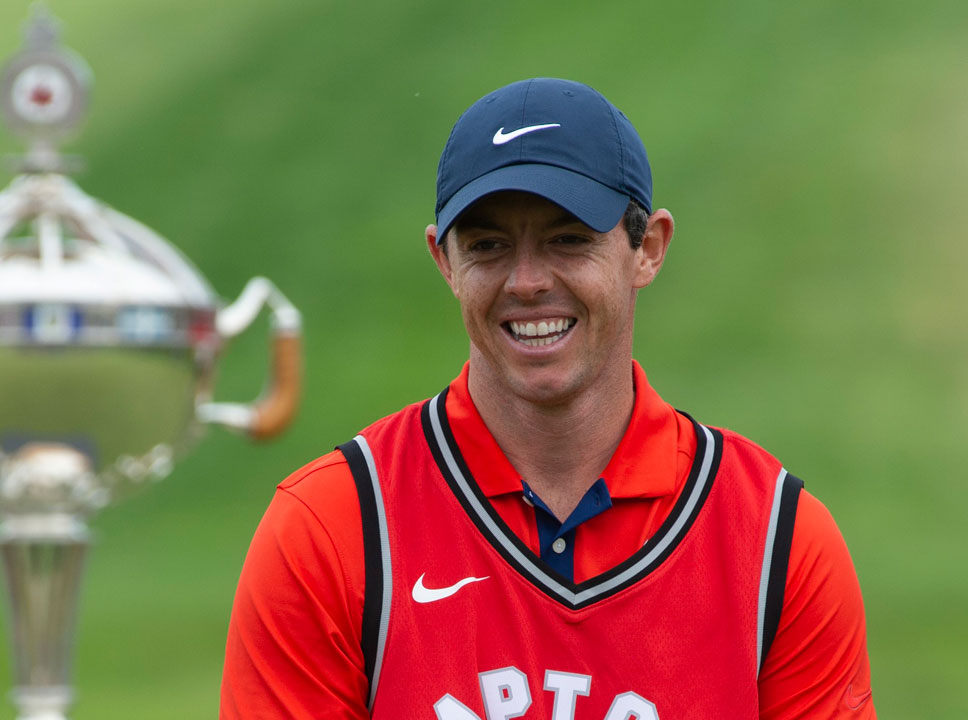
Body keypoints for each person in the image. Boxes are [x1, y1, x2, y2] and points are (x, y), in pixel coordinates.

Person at [219, 78, 874, 719]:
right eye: (488, 246)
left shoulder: (774, 541)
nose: (527, 282)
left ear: (647, 248)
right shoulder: (332, 529)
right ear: (444, 261)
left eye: (568, 239)